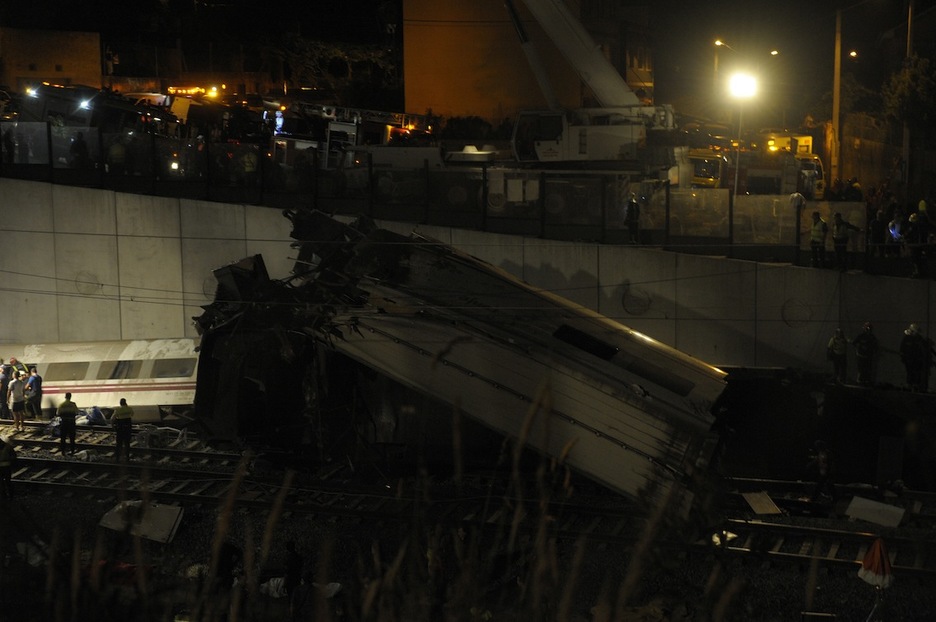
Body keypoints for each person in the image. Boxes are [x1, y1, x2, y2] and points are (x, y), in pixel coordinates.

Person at [900, 323, 934, 392]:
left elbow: (926, 348)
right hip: (910, 360)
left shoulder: (919, 339)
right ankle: (911, 385)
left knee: (916, 373)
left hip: (916, 360)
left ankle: (915, 386)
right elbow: (902, 349)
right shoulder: (908, 339)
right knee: (910, 372)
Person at [852, 322, 879, 386]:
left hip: (868, 357)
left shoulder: (872, 337)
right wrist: (858, 349)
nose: (867, 330)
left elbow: (875, 347)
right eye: (866, 328)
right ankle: (859, 382)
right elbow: (854, 343)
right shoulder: (861, 336)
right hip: (861, 356)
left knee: (868, 370)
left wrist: (874, 353)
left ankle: (867, 382)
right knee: (861, 370)